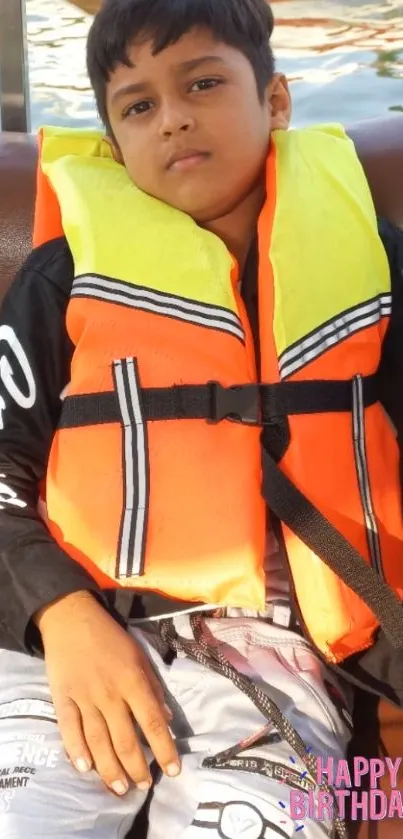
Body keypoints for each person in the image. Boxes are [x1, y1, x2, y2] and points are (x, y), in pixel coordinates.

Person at [0, 0, 403, 836]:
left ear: (277, 102)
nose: (173, 115)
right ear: (114, 142)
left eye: (203, 82)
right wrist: (63, 615)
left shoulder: (377, 265)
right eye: (139, 104)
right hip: (64, 641)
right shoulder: (58, 279)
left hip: (275, 657)